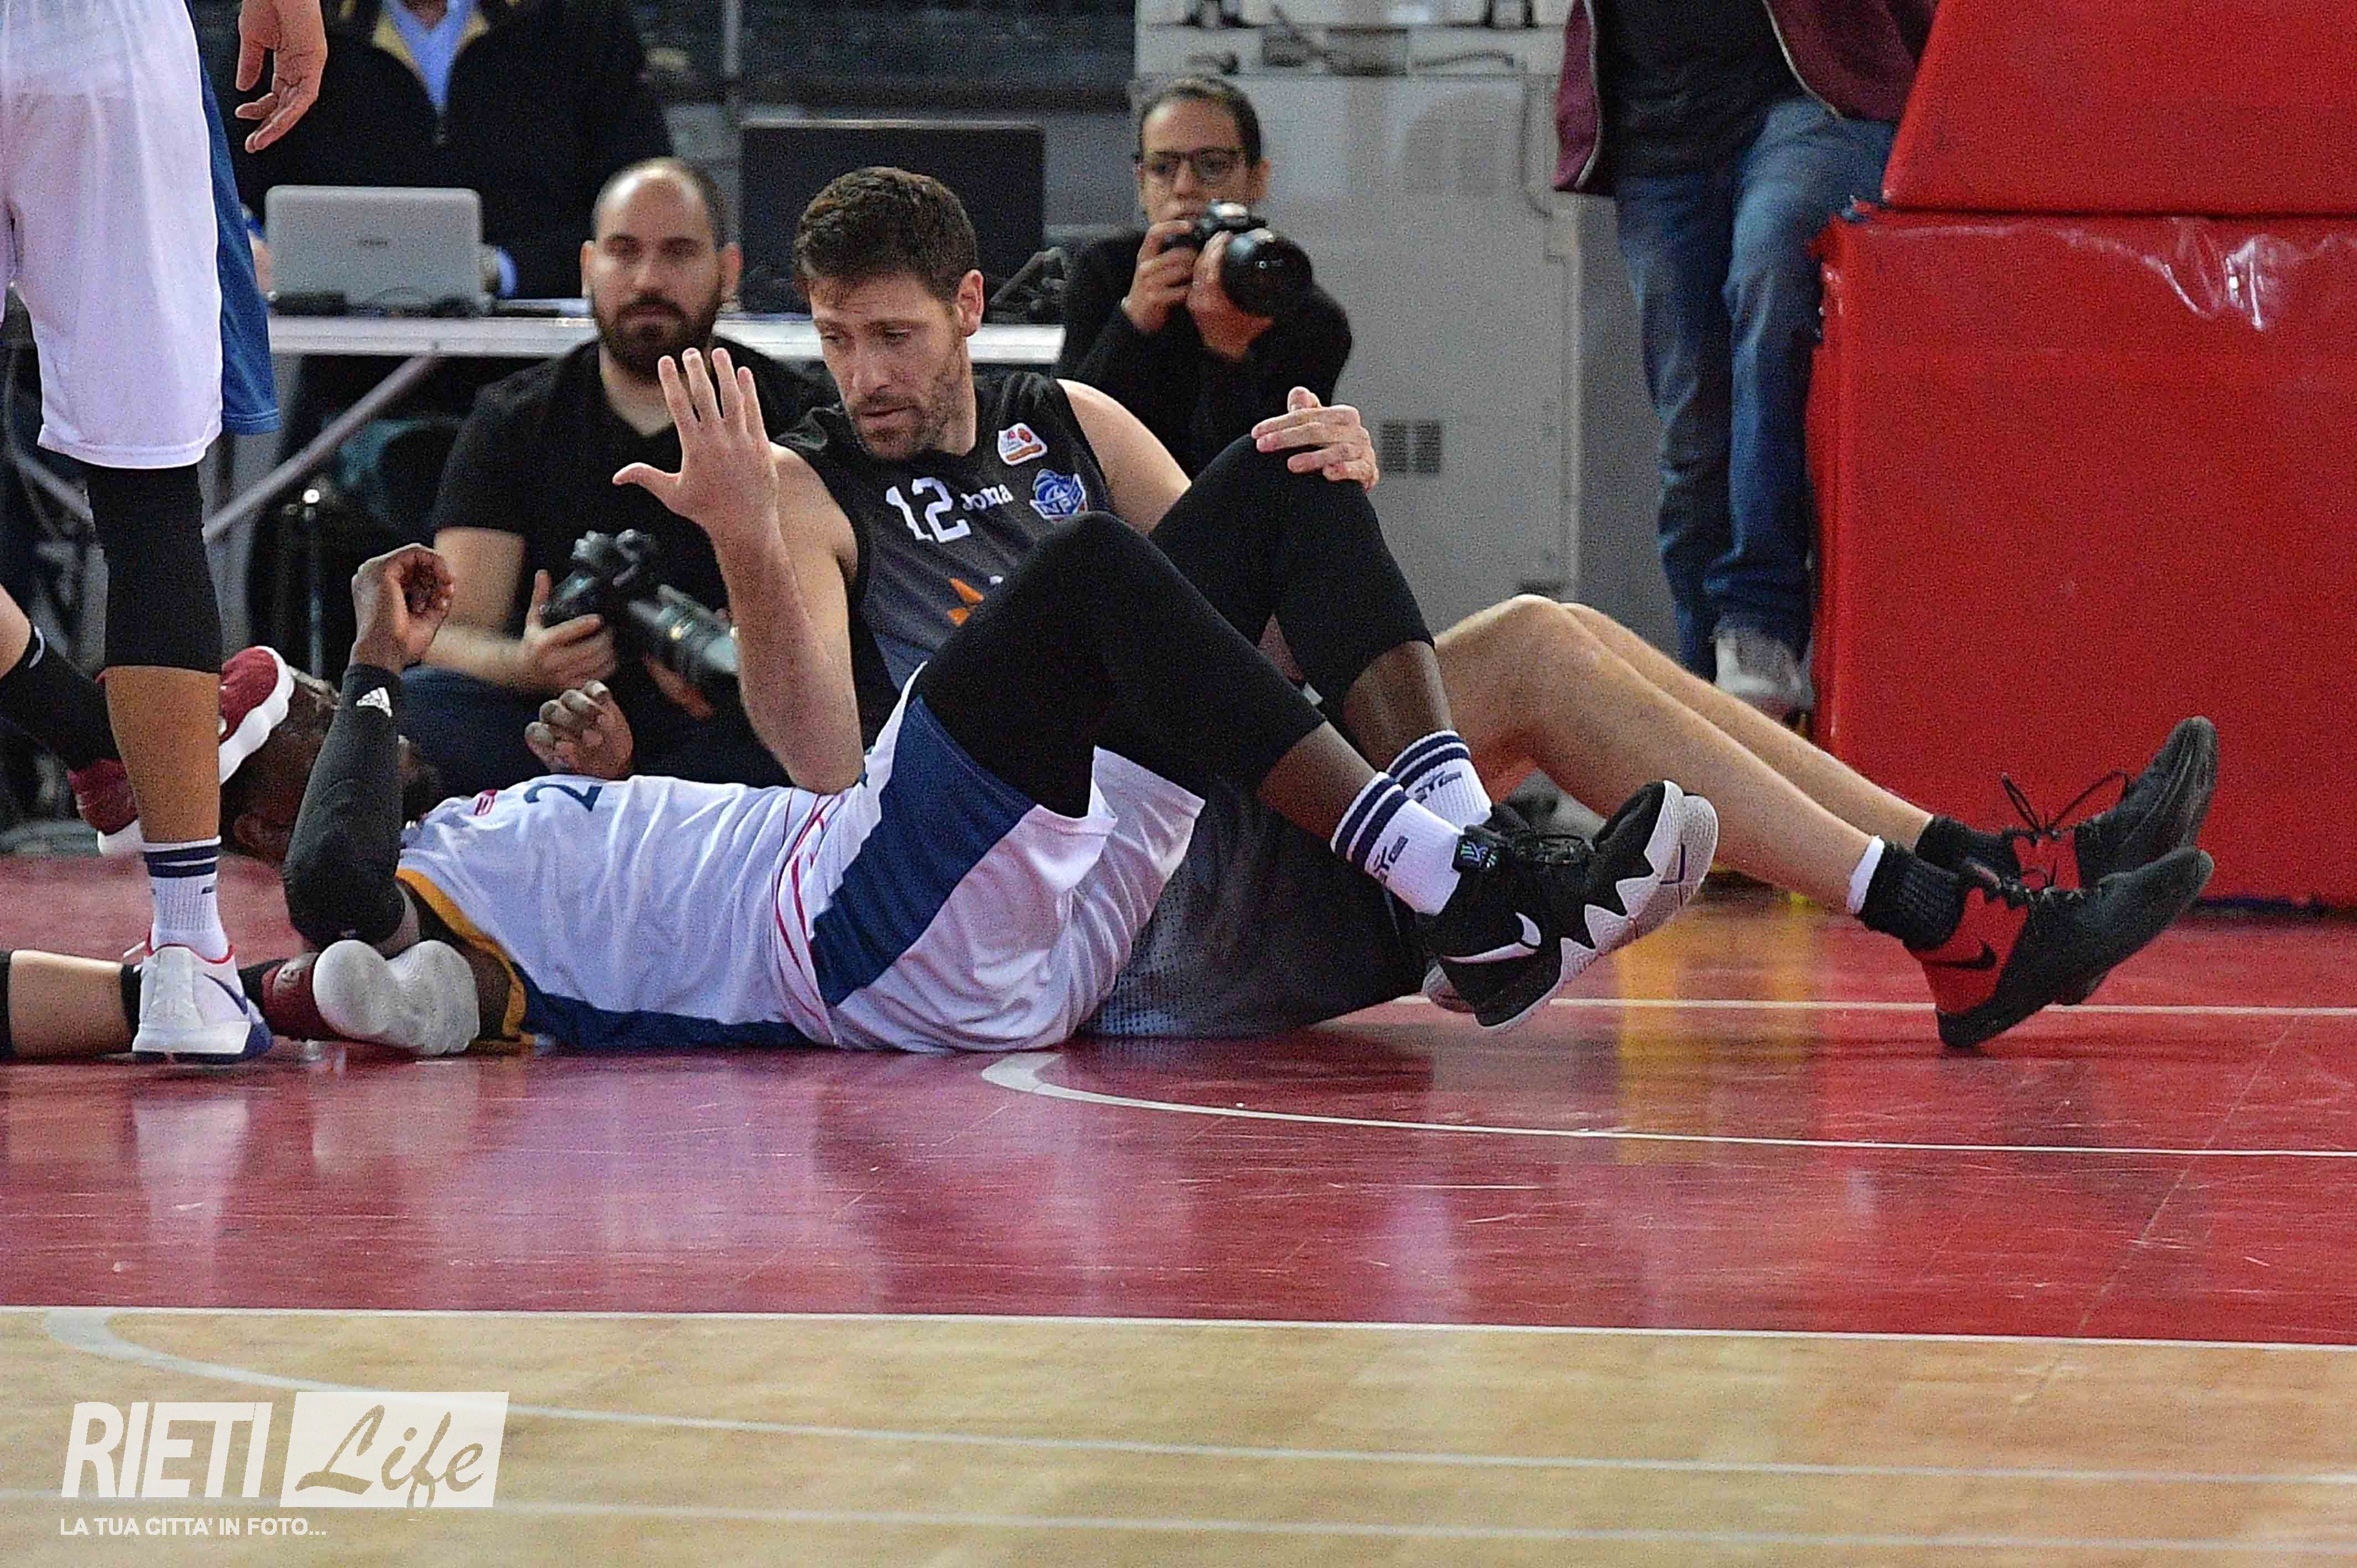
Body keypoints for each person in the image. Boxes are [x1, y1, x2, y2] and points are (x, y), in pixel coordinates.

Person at [542, 168, 2212, 1052]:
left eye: (895, 336)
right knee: (1518, 646)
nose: (866, 374)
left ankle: (1975, 886)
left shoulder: (1076, 421)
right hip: (1070, 888)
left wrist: (1321, 489)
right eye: (837, 338)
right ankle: (1942, 915)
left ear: (971, 310)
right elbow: (826, 769)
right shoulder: (813, 482)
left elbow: (1263, 660)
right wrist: (746, 543)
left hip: (1219, 807)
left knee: (1536, 629)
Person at [6, 467, 1697, 1058]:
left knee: (1285, 483)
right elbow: (324, 891)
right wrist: (375, 665)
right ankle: (1455, 883)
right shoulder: (382, 898)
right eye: (293, 716)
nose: (318, 696)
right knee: (1082, 573)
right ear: (261, 807)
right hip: (859, 932)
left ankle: (1467, 886)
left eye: (314, 688)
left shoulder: (497, 815)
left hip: (932, 902)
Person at [0, 0, 325, 1059]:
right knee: (145, 492)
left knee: (147, 495)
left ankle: (87, 734)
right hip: (105, 39)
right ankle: (188, 949)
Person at [1554, 0, 1934, 718]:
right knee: (1694, 428)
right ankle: (1711, 702)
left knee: (1768, 281)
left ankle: (1759, 620)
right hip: (1657, 124)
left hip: (1811, 97)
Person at [402, 158, 825, 795]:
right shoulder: (513, 418)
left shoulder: (794, 414)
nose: (648, 279)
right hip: (550, 726)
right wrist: (526, 664)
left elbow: (840, 630)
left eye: (679, 253)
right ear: (587, 267)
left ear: (728, 271)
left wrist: (748, 659)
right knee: (417, 707)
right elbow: (444, 632)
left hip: (727, 728)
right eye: (624, 253)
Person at [224, 0, 675, 544]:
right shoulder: (296, 14)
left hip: (545, 394)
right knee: (307, 548)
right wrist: (248, 245)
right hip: (343, 402)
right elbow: (220, 180)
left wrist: (499, 269)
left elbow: (641, 203)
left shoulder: (582, 24)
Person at [1055, 76, 1351, 476]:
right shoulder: (1107, 270)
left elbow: (1259, 486)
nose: (1185, 187)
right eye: (1163, 168)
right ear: (1141, 183)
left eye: (1212, 165)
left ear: (1257, 178)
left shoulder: (1301, 308)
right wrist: (1132, 324)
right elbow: (1061, 452)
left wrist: (1228, 353)